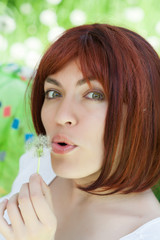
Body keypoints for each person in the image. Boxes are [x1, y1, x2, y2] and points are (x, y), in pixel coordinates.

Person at [0, 23, 160, 240]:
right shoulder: (38, 164)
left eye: (94, 95)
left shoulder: (148, 233)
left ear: (142, 111)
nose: (61, 116)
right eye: (54, 93)